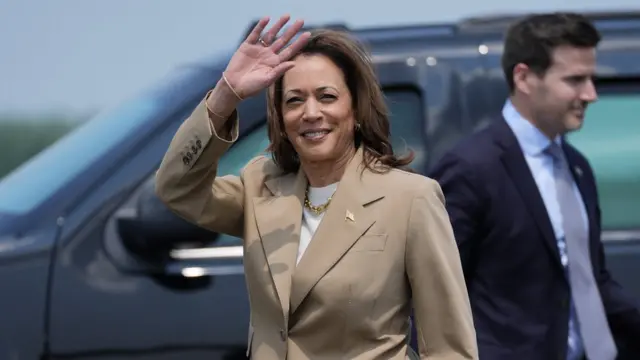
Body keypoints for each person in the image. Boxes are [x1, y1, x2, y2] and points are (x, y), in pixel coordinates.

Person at [154, 14, 477, 360]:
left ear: (355, 110)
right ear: (279, 117)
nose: (310, 112)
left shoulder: (411, 199)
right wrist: (225, 95)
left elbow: (450, 348)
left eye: (326, 96)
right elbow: (178, 187)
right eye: (294, 100)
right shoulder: (261, 186)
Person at [429, 12, 640, 360]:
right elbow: (434, 290)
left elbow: (592, 280)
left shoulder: (577, 167)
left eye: (592, 79)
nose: (591, 94)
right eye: (575, 80)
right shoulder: (472, 168)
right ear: (525, 78)